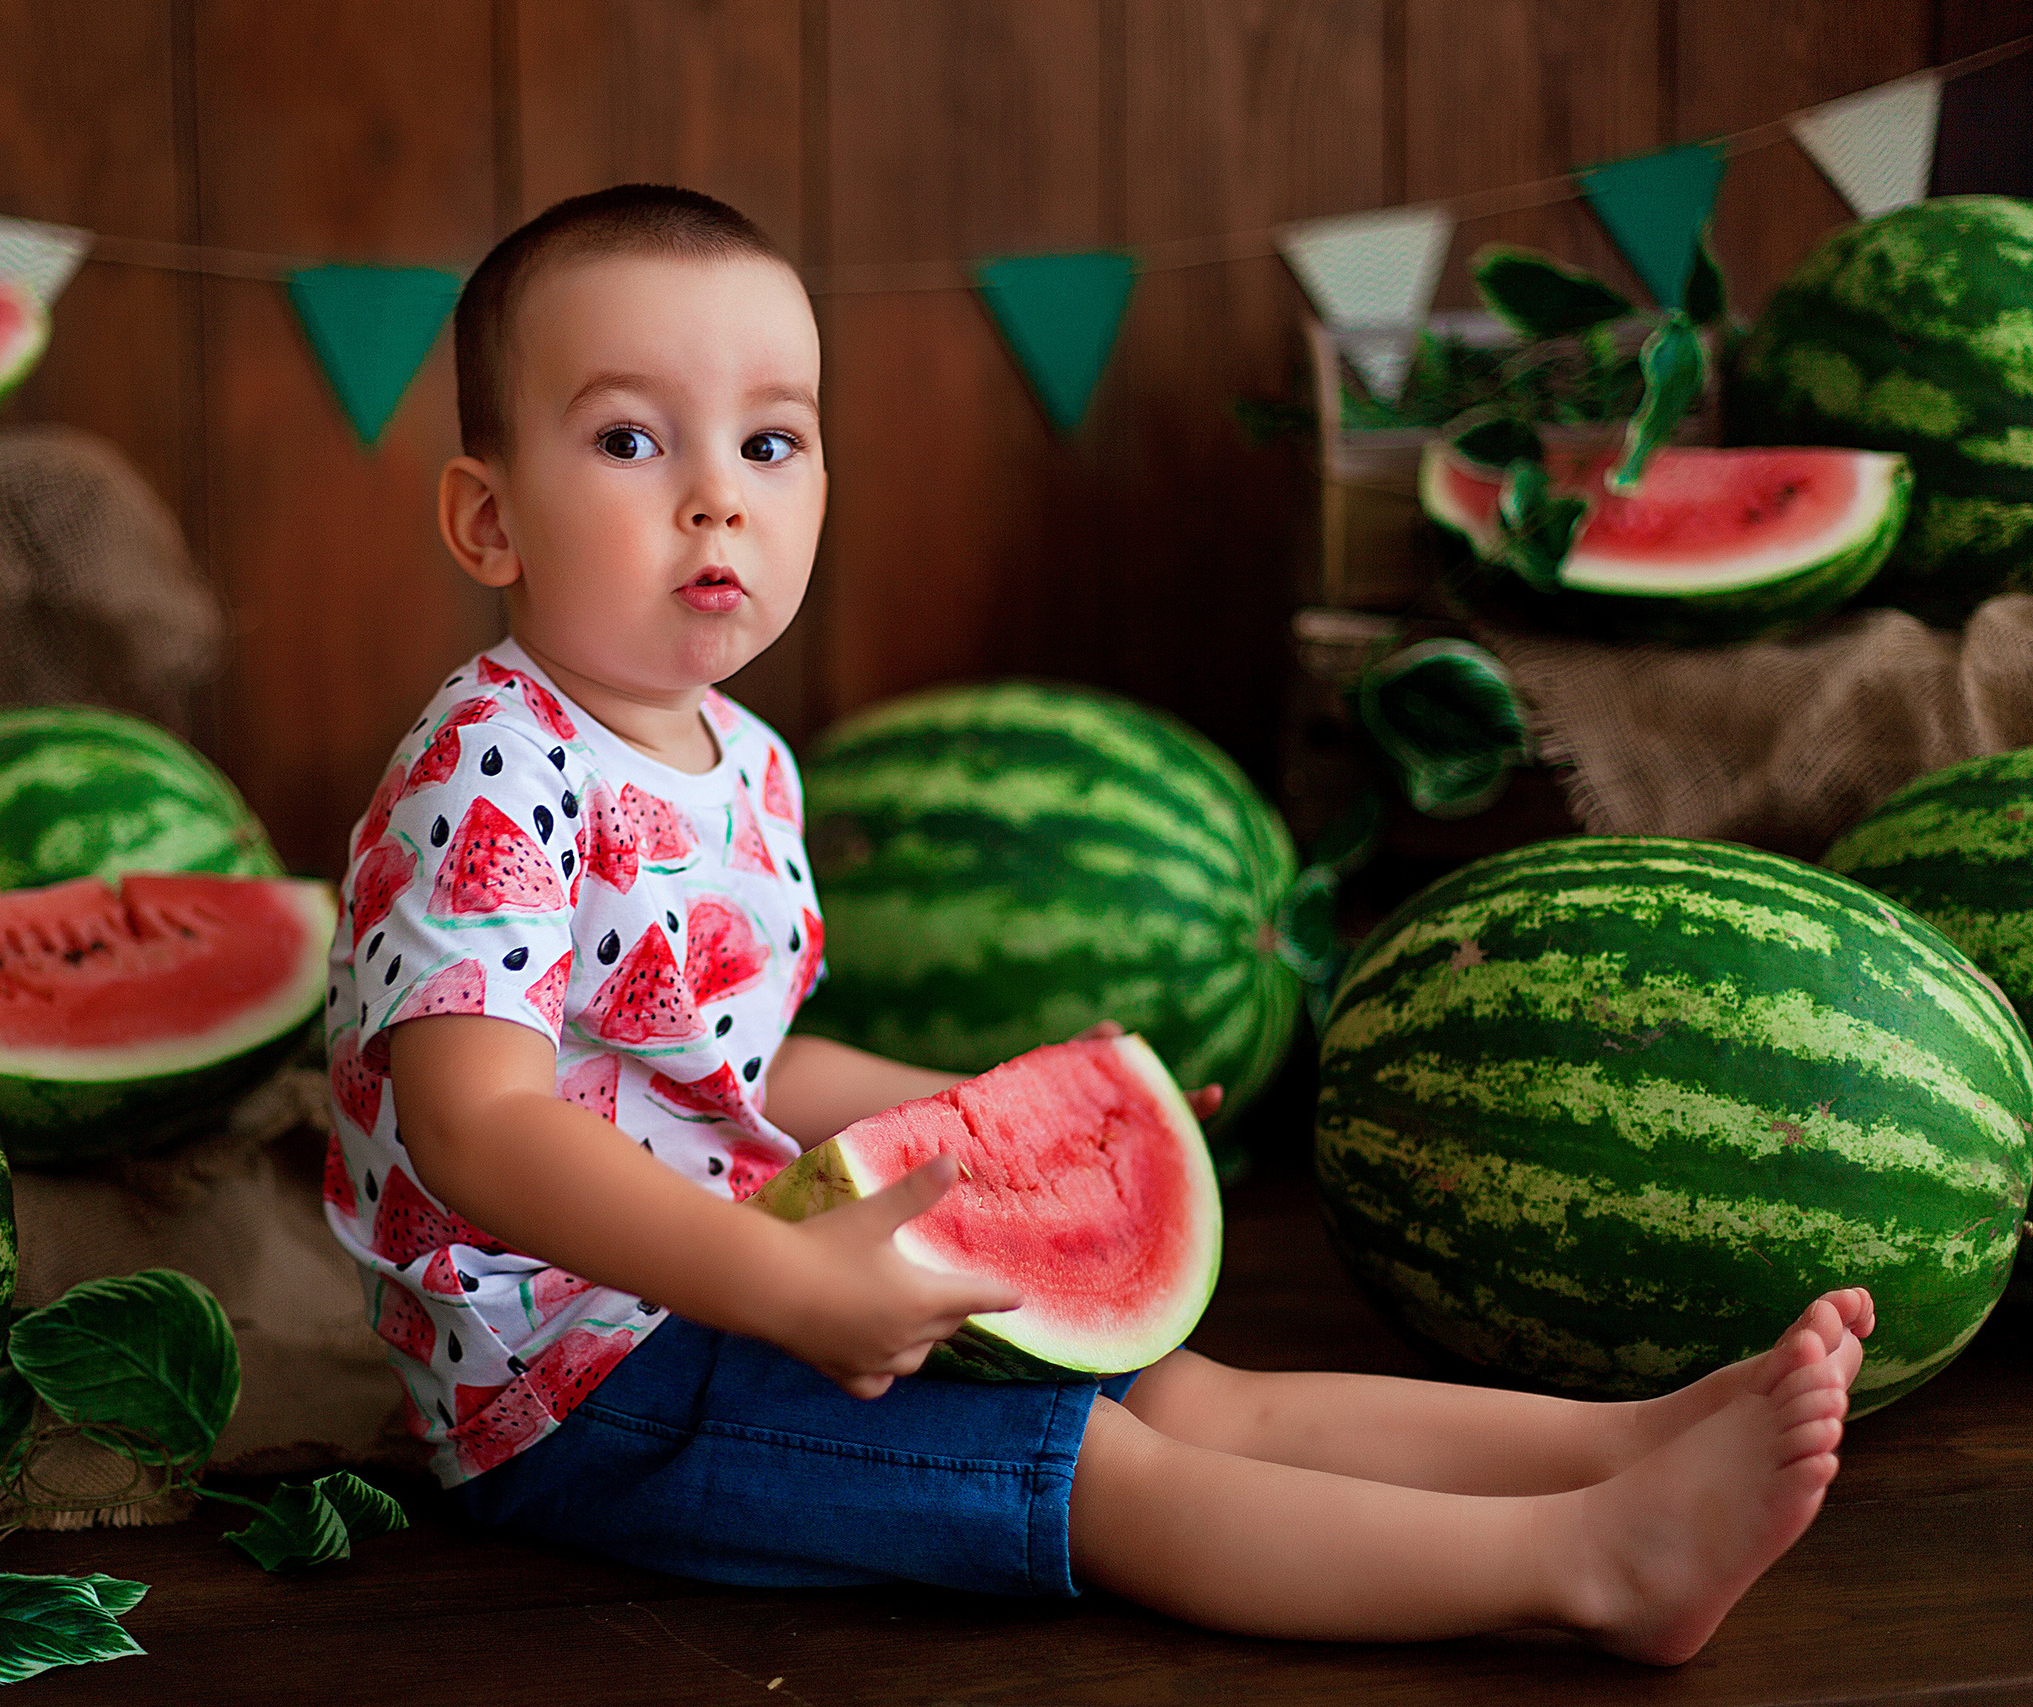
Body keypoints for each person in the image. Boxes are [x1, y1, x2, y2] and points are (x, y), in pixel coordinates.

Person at [316, 182, 1870, 1664]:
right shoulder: (493, 770)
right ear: (488, 519)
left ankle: (1621, 1445)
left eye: (774, 440)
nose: (720, 491)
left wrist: (1028, 1121)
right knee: (1101, 1471)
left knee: (1194, 1389)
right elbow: (484, 1130)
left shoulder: (747, 762)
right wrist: (782, 1287)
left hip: (742, 1275)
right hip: (574, 1387)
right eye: (632, 436)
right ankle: (1598, 1570)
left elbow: (744, 1068)